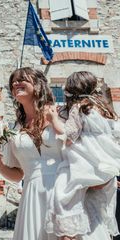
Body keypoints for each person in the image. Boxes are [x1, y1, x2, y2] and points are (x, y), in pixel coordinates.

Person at [0, 67, 64, 239]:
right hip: (32, 195)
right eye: (13, 82)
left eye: (22, 79)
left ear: (37, 85)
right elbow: (17, 175)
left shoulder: (59, 114)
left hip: (62, 190)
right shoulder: (16, 130)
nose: (15, 83)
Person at [46, 71, 120, 239]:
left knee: (62, 195)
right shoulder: (103, 109)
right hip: (105, 164)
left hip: (84, 164)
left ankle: (67, 234)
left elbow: (69, 135)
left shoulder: (77, 108)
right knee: (95, 208)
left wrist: (54, 119)